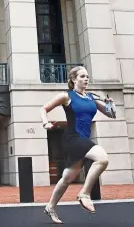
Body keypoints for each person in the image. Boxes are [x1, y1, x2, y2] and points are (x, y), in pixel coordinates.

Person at [39, 66, 116, 224]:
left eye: (87, 76)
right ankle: (85, 194)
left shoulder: (91, 98)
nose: (86, 79)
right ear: (74, 79)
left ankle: (50, 207)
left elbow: (111, 114)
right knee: (102, 158)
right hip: (73, 138)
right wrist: (45, 123)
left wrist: (110, 105)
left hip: (83, 139)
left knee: (67, 178)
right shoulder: (66, 96)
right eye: (82, 76)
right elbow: (44, 108)